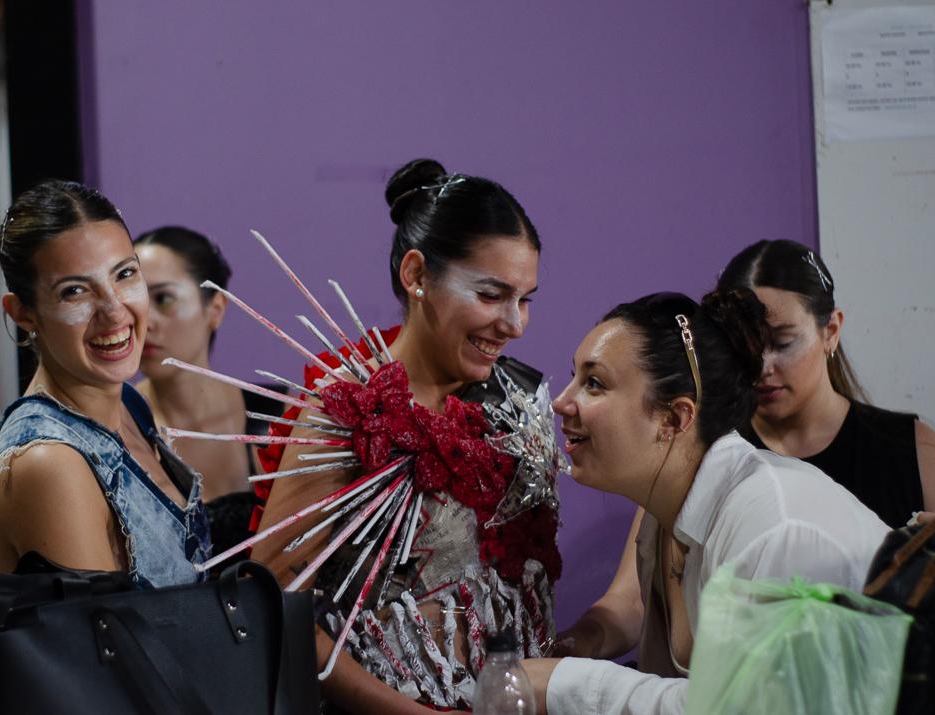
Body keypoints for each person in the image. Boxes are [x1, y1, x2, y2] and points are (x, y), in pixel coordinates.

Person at [249, 158, 560, 713]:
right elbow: (277, 607)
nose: (514, 324)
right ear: (416, 275)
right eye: (491, 295)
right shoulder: (348, 411)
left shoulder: (522, 397)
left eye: (525, 298)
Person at [527, 290, 889, 714]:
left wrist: (561, 683)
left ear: (675, 418)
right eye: (574, 377)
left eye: (594, 383)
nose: (560, 402)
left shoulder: (776, 526)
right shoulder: (663, 518)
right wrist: (580, 643)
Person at [0, 180, 210, 587]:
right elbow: (111, 647)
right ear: (22, 313)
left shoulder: (129, 405)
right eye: (74, 291)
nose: (114, 311)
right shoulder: (48, 463)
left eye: (125, 274)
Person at [717, 239, 935, 527]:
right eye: (744, 346)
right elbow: (641, 572)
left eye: (783, 342)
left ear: (830, 331)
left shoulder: (911, 449)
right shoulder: (707, 454)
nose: (762, 367)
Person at [134, 226, 276, 554]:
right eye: (135, 301)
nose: (145, 321)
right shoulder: (118, 428)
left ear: (215, 309)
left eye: (163, 299)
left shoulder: (275, 417)